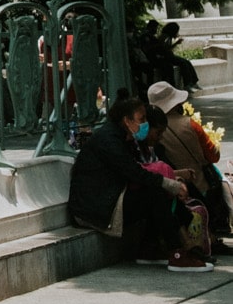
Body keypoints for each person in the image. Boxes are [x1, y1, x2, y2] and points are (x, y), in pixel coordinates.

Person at [67, 94, 210, 270]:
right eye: (141, 119)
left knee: (155, 191)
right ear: (127, 120)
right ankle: (177, 253)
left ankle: (150, 249)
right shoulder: (109, 140)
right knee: (155, 193)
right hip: (94, 207)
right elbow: (134, 173)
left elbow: (140, 171)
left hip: (108, 198)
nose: (145, 124)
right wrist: (170, 184)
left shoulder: (122, 137)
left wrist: (171, 181)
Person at [146, 81, 232, 251]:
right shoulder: (190, 125)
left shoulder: (150, 130)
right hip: (198, 184)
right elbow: (213, 155)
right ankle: (210, 239)